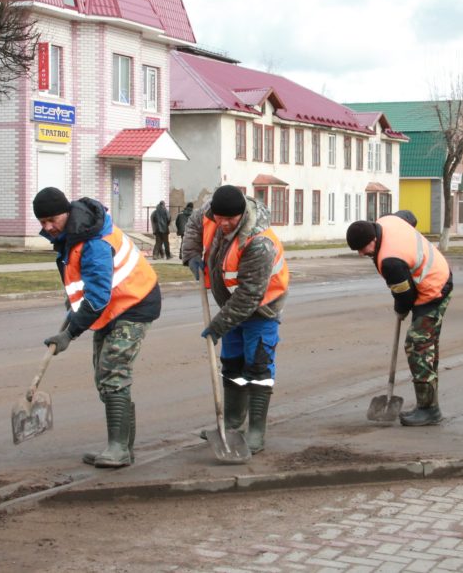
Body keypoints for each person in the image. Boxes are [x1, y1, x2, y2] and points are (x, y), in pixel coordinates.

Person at [33, 187, 161, 468]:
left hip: (134, 304)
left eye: (52, 220)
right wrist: (73, 302)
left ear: (66, 213)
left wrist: (69, 334)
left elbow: (98, 295)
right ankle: (122, 447)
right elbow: (86, 284)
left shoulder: (93, 241)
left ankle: (118, 448)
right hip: (111, 307)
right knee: (103, 378)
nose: (48, 227)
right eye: (42, 222)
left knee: (113, 374)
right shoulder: (71, 234)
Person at [181, 185, 289, 453]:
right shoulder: (210, 213)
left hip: (262, 308)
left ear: (242, 214)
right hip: (230, 305)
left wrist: (217, 327)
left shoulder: (258, 241)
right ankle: (231, 425)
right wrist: (192, 255)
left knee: (258, 367)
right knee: (232, 365)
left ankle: (255, 432)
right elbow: (194, 226)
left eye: (231, 219)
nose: (224, 224)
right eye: (220, 218)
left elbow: (250, 296)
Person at [346, 215, 453, 426]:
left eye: (362, 248)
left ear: (373, 240)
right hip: (438, 273)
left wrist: (401, 309)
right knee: (427, 345)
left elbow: (406, 297)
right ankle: (430, 402)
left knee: (418, 345)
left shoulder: (390, 261)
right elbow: (409, 217)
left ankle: (429, 409)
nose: (361, 253)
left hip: (433, 289)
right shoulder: (388, 220)